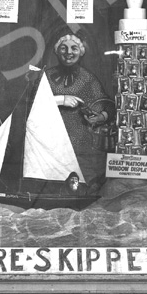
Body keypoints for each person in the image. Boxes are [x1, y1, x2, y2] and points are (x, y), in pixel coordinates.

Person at [47, 31, 113, 190]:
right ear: (57, 51)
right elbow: (33, 103)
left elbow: (107, 106)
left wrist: (99, 117)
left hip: (81, 143)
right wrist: (61, 100)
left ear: (81, 52)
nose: (68, 53)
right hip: (51, 142)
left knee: (83, 184)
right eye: (64, 48)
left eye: (74, 49)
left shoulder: (88, 79)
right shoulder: (46, 76)